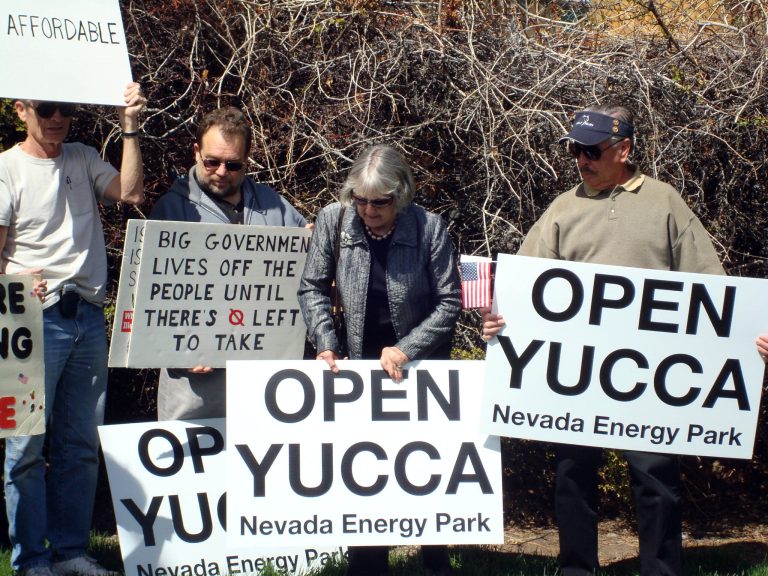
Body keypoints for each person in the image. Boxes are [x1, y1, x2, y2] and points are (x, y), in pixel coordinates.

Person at [482, 105, 727, 575]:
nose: (581, 160)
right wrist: (497, 320)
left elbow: (709, 284)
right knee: (572, 476)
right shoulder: (563, 208)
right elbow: (523, 285)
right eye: (575, 150)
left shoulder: (664, 202)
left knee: (656, 479)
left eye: (591, 151)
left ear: (624, 150)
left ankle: (660, 570)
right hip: (577, 376)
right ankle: (577, 569)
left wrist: (744, 339)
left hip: (650, 376)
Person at [0, 83, 146, 576]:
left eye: (65, 108)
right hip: (27, 318)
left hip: (85, 314)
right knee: (24, 447)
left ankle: (70, 553)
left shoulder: (82, 157)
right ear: (20, 110)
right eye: (45, 108)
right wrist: (16, 282)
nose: (57, 117)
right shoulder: (5, 168)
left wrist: (129, 124)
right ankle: (30, 560)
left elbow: (130, 193)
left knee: (81, 444)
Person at [298, 144, 461, 576]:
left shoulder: (429, 228)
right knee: (365, 471)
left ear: (401, 194)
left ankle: (434, 558)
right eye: (361, 199)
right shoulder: (335, 221)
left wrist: (408, 347)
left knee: (423, 470)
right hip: (358, 368)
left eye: (380, 202)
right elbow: (312, 287)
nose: (368, 210)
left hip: (418, 369)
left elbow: (449, 303)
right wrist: (326, 341)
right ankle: (368, 564)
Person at [149, 106, 309, 420]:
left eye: (233, 165)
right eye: (212, 161)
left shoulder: (274, 207)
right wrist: (176, 353)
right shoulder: (171, 209)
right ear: (196, 152)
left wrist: (313, 244)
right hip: (195, 388)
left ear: (246, 162)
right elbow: (148, 301)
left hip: (262, 385)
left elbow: (308, 276)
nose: (222, 171)